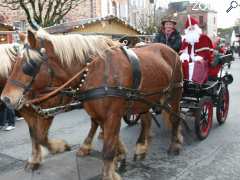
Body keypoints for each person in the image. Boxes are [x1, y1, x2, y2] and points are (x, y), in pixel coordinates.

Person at [179, 15, 216, 83]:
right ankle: (183, 81)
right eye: (190, 29)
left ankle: (195, 82)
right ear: (187, 30)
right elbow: (183, 51)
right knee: (182, 63)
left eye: (193, 28)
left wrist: (199, 57)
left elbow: (207, 54)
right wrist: (184, 56)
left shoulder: (203, 38)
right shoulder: (186, 39)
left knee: (197, 64)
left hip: (201, 59)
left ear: (196, 28)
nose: (191, 30)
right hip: (189, 58)